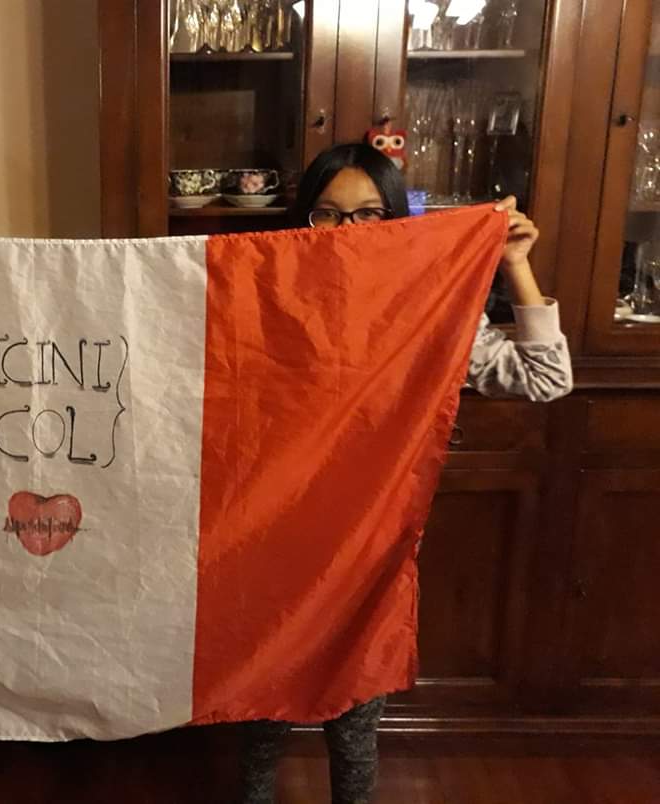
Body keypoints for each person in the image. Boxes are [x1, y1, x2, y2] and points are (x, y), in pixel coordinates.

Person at [238, 143, 573, 804]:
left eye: (370, 214)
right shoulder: (267, 304)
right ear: (304, 220)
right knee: (262, 717)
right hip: (276, 542)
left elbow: (547, 377)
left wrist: (513, 263)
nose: (348, 232)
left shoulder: (429, 312)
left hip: (372, 553)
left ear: (396, 221)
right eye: (328, 214)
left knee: (354, 722)